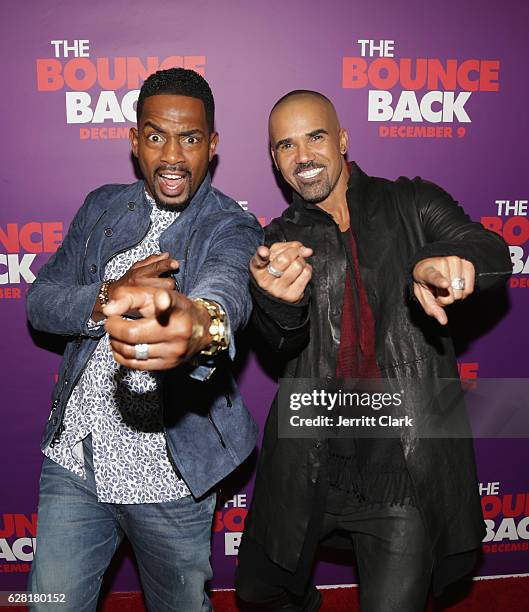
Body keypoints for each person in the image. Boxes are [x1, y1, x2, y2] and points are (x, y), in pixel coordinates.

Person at [236, 90, 512, 612]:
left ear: (341, 140)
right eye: (286, 146)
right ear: (275, 160)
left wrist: (437, 263)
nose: (304, 157)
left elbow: (489, 250)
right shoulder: (278, 240)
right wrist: (279, 303)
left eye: (315, 137)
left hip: (400, 471)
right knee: (256, 590)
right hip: (310, 459)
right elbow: (279, 343)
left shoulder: (411, 201)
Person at [26, 68, 262, 612]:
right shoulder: (101, 207)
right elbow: (41, 301)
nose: (173, 155)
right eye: (156, 136)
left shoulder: (231, 224)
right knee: (47, 605)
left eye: (191, 137)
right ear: (134, 142)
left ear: (214, 145)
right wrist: (107, 298)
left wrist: (200, 323)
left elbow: (227, 289)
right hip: (76, 463)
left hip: (172, 482)